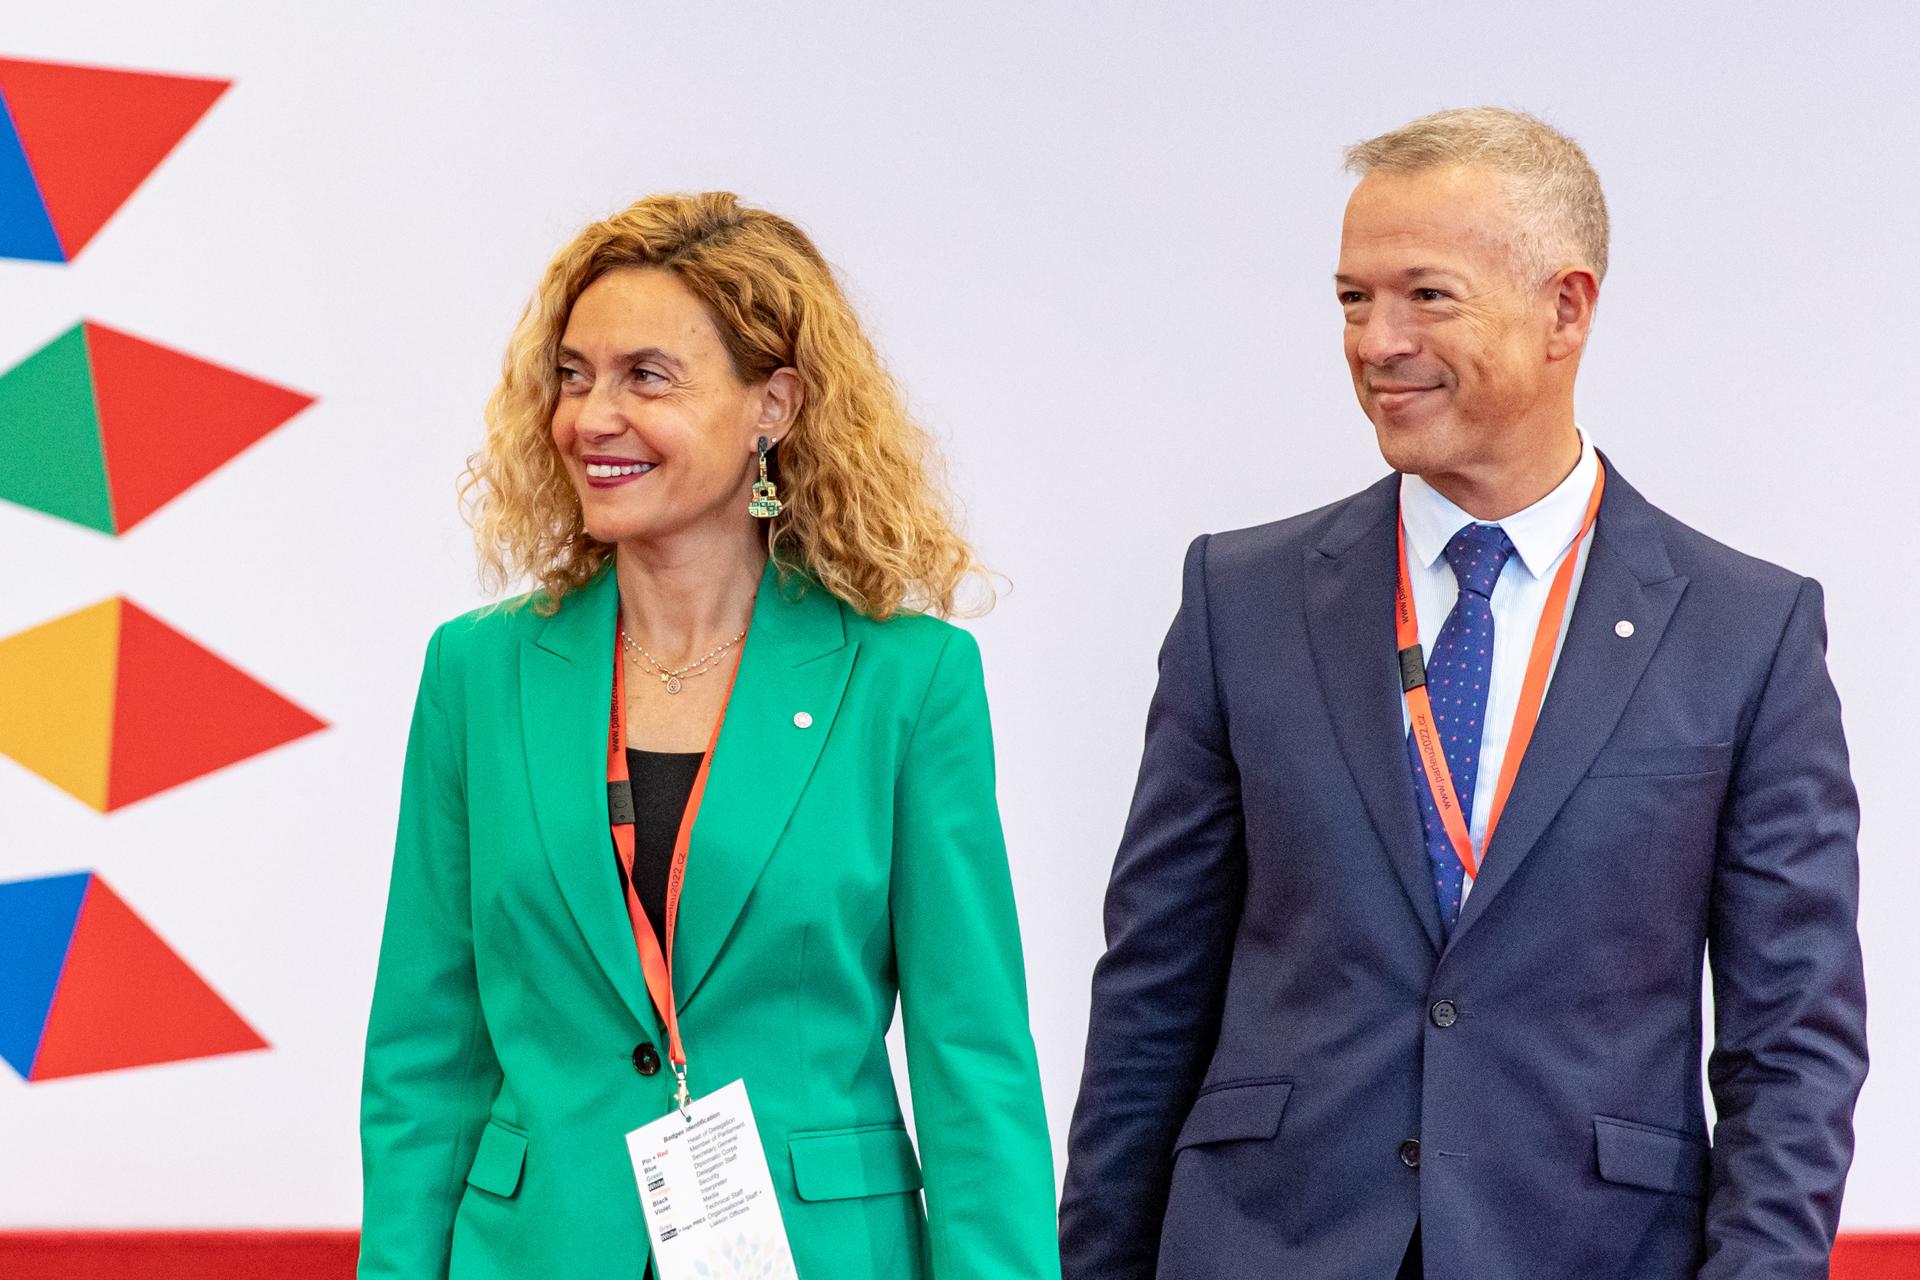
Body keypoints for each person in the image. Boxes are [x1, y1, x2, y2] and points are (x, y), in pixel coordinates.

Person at [1058, 108, 1867, 1279]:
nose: (1376, 340)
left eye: (1424, 296)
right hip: (1263, 1243)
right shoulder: (1241, 599)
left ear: (1566, 308)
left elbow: (1793, 1044)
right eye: (1351, 298)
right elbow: (1149, 994)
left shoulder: (1747, 629)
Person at [360, 192, 1059, 1280]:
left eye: (648, 375)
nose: (592, 415)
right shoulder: (476, 672)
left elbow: (973, 1060)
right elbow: (424, 1057)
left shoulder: (907, 678)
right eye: (576, 374)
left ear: (771, 405)